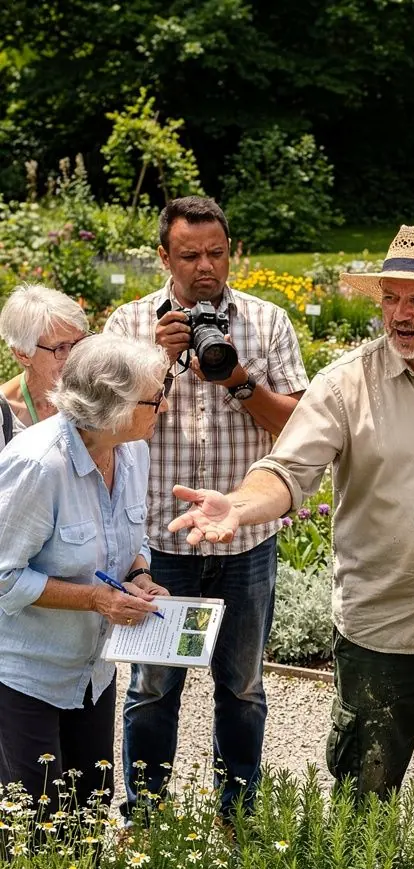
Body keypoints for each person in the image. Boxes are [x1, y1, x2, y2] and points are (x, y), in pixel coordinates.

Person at [165, 224, 414, 850]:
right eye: (390, 298)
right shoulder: (346, 384)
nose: (399, 314)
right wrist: (237, 505)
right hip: (381, 627)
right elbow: (287, 472)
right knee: (363, 805)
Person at [104, 195, 307, 817]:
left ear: (231, 252)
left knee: (243, 687)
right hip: (158, 545)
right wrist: (159, 364)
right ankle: (144, 816)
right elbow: (105, 426)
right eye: (189, 255)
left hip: (244, 540)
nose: (205, 267)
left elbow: (298, 427)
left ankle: (237, 815)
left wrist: (239, 382)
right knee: (153, 685)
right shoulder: (128, 326)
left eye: (216, 253)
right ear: (163, 256)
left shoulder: (267, 322)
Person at [0, 334, 170, 813]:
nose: (163, 404)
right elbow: (4, 578)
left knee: (92, 806)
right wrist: (96, 599)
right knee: (35, 817)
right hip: (26, 676)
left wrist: (138, 574)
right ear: (113, 406)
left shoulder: (132, 450)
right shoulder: (36, 465)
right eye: (154, 397)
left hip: (92, 672)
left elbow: (129, 540)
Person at [0, 283, 89, 431]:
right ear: (22, 354)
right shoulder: (6, 416)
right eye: (61, 348)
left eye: (80, 342)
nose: (75, 356)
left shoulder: (93, 398)